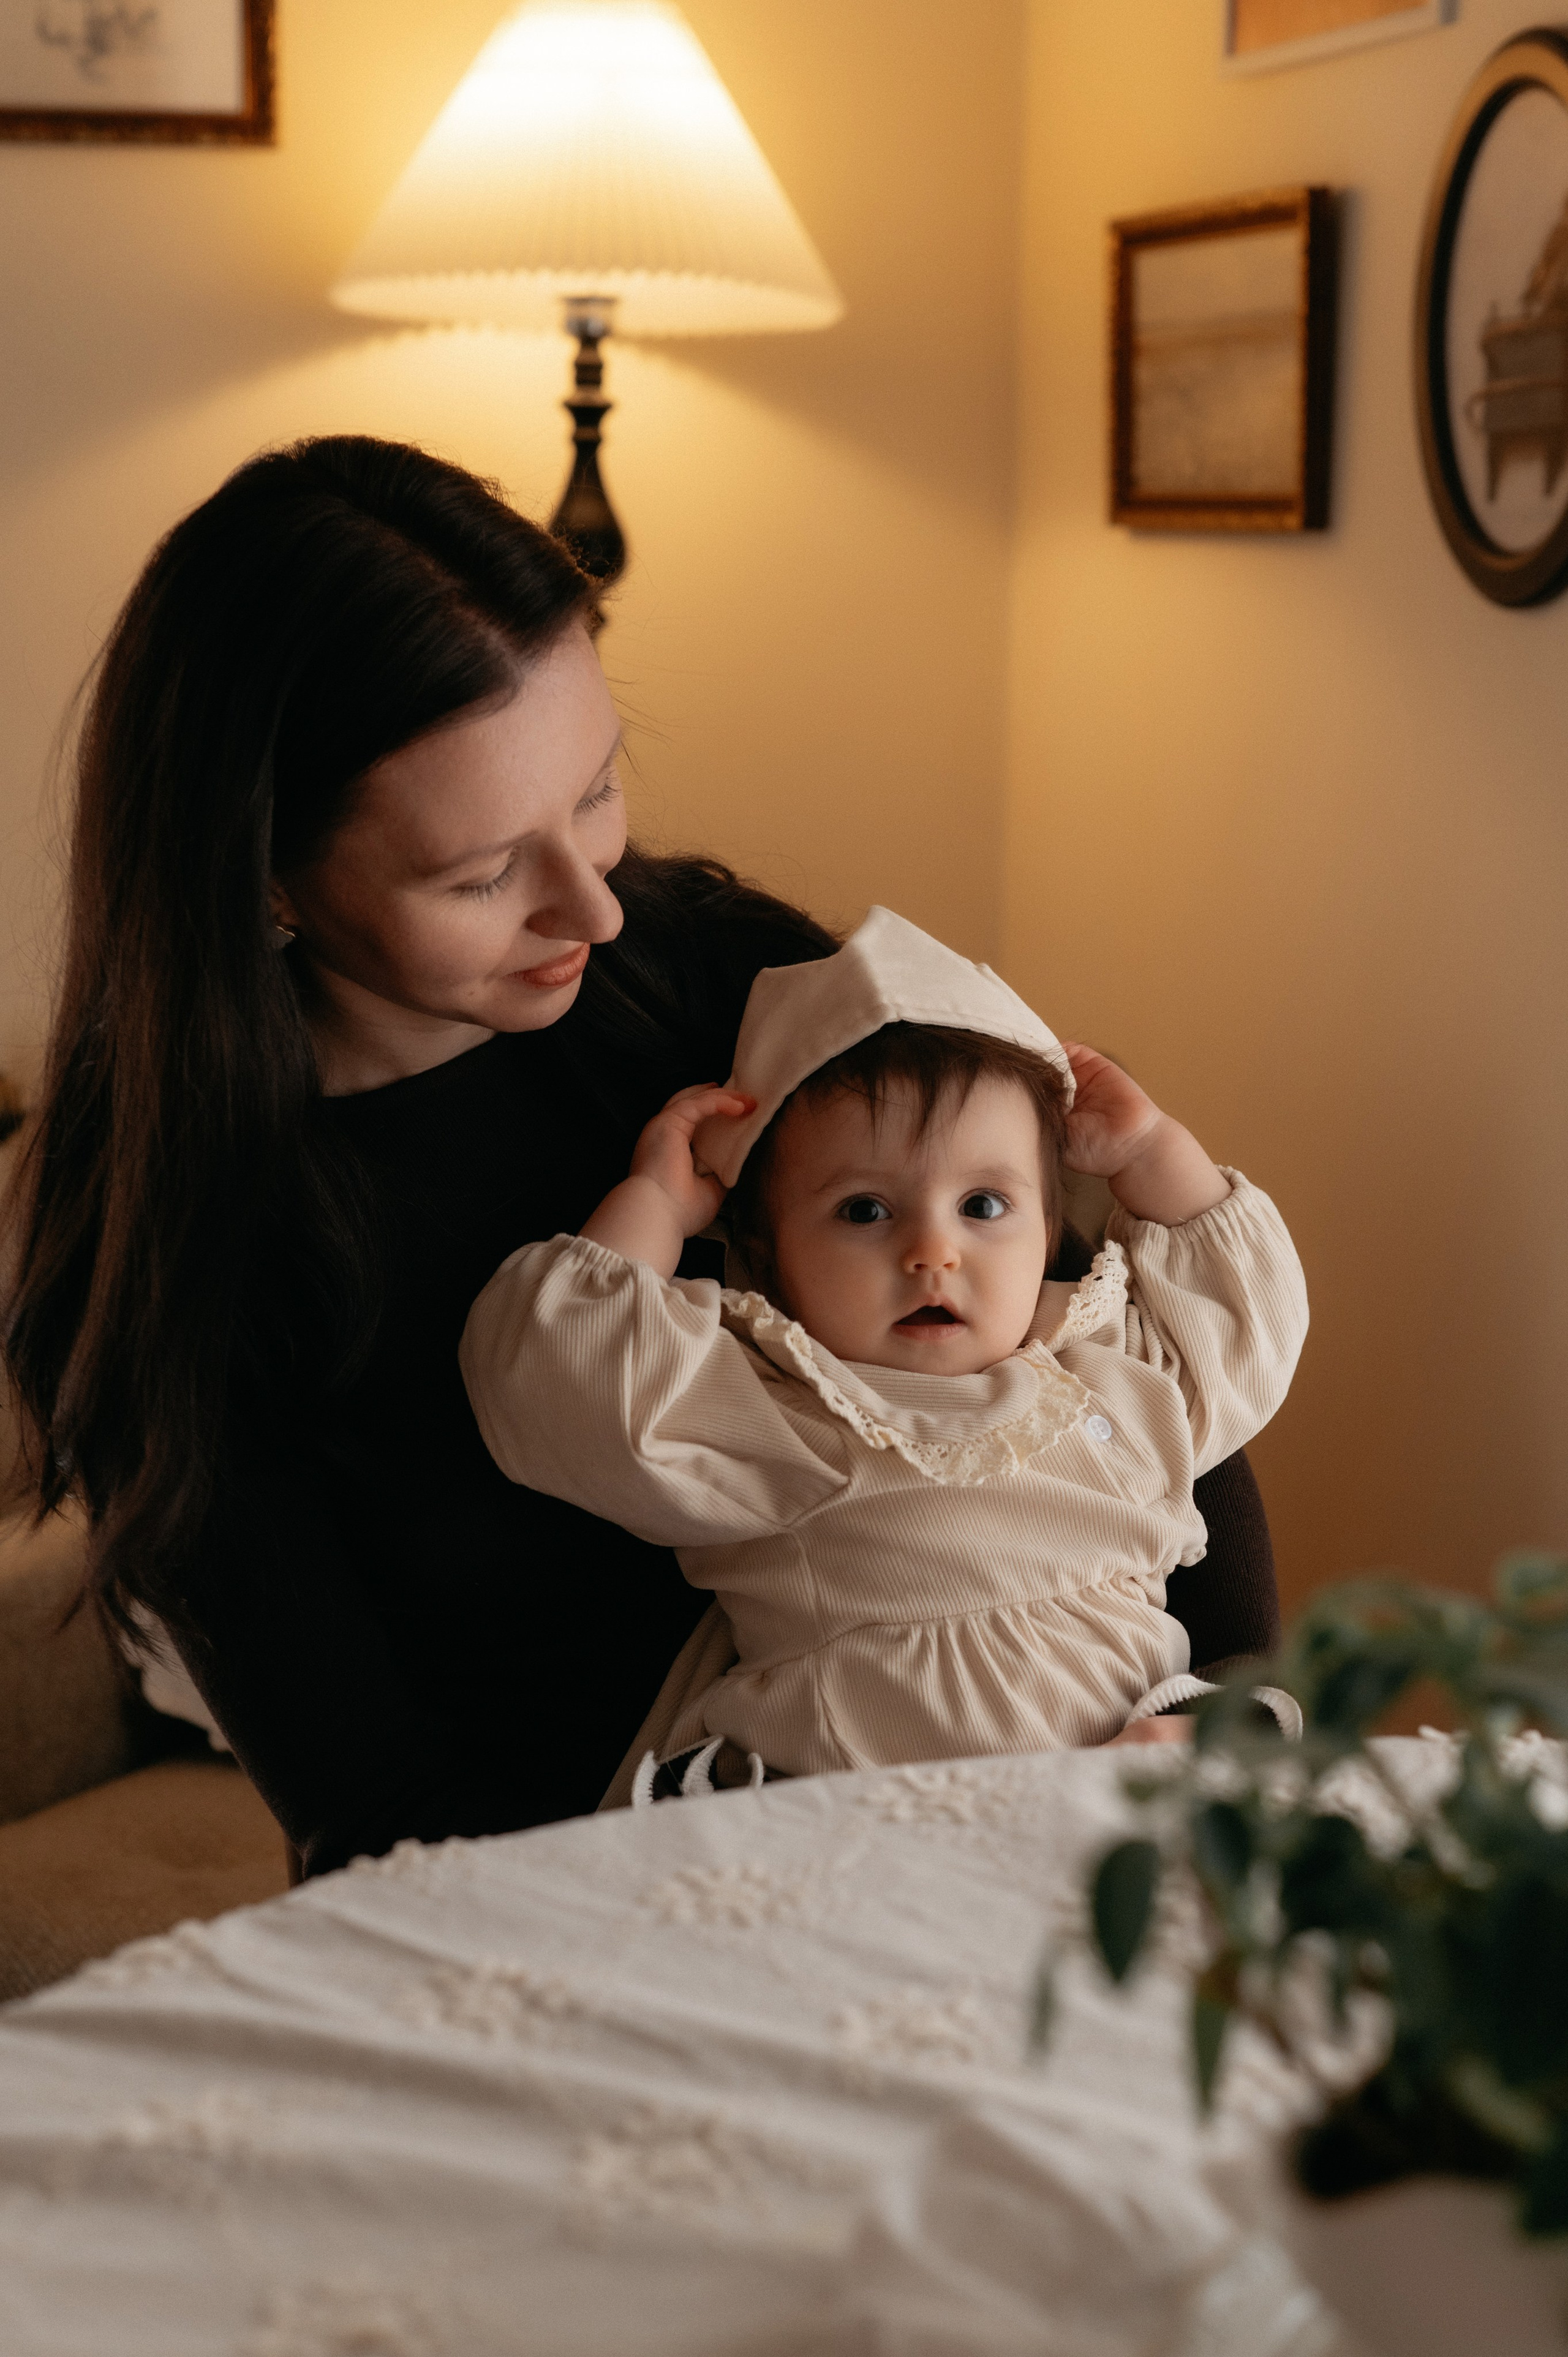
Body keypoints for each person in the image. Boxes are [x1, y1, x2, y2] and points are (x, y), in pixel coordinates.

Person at [0, 437, 1280, 1876]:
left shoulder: (734, 990)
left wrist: (1220, 1708)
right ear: (267, 876)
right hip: (609, 1892)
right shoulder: (173, 1262)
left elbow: (1111, 1354)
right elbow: (373, 1812)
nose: (594, 913)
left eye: (595, 792)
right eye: (483, 874)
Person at [459, 910, 1309, 1787]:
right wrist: (657, 1205)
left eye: (984, 1206)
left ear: (1050, 1229)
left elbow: (1247, 1323)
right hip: (863, 1810)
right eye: (865, 1210)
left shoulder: (1111, 1374)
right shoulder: (783, 1407)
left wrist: (1151, 1150)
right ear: (768, 1259)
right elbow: (554, 1379)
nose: (933, 1252)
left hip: (1114, 1792)